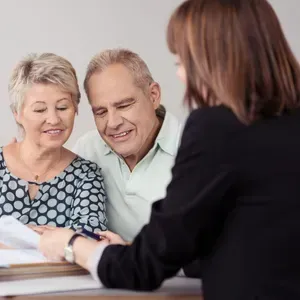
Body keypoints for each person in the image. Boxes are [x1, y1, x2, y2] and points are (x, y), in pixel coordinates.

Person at [39, 0, 300, 298]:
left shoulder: (216, 129)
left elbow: (146, 266)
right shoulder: (87, 150)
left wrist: (72, 245)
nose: (181, 75)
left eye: (183, 62)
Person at [72, 49, 182, 242]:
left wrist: (128, 254)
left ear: (153, 96)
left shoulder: (194, 150)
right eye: (100, 112)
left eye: (123, 106)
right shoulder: (87, 149)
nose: (113, 123)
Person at [0, 53, 107, 234]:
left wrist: (12, 235)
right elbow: (72, 240)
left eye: (62, 107)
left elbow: (88, 238)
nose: (53, 119)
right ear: (17, 113)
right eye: (40, 109)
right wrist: (54, 236)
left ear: (76, 108)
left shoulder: (86, 175)